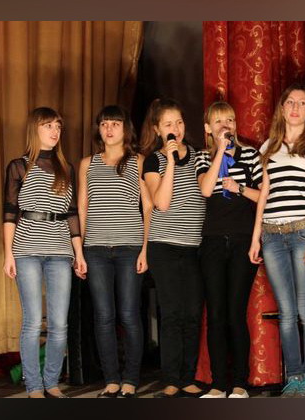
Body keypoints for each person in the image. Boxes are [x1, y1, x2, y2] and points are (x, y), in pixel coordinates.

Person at [3, 107, 87, 398]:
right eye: (48, 125)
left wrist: (79, 253)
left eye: (58, 126)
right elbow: (10, 212)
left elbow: (72, 213)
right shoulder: (19, 166)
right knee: (31, 322)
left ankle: (51, 382)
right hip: (26, 249)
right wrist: (8, 254)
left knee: (59, 323)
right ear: (35, 129)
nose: (54, 131)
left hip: (60, 250)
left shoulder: (67, 168)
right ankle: (34, 386)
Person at [249, 83, 305, 398]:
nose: (295, 107)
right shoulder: (269, 146)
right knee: (286, 312)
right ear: (282, 109)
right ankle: (293, 377)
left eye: (301, 103)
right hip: (272, 235)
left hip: (302, 232)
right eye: (290, 102)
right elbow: (264, 194)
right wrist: (256, 237)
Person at [78, 105, 152, 398]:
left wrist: (145, 249)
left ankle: (130, 379)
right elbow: (82, 208)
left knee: (130, 314)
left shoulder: (138, 162)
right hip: (95, 249)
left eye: (115, 124)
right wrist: (79, 251)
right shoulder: (87, 163)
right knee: (103, 316)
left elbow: (148, 208)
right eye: (104, 124)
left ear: (125, 129)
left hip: (129, 248)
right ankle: (111, 380)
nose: (109, 129)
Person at [195, 101, 262, 398]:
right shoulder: (202, 156)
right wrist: (220, 152)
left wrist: (241, 189)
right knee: (216, 314)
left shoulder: (251, 154)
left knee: (236, 312)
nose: (226, 125)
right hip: (212, 240)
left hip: (241, 239)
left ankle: (239, 383)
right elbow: (205, 188)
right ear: (208, 128)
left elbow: (263, 195)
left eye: (231, 120)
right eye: (219, 121)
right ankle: (218, 383)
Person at [141, 99, 206, 398]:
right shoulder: (153, 160)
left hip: (193, 248)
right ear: (157, 129)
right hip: (164, 246)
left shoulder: (198, 156)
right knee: (172, 314)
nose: (175, 129)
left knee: (192, 313)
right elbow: (162, 203)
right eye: (168, 124)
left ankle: (187, 376)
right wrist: (169, 161)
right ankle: (171, 378)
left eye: (179, 122)